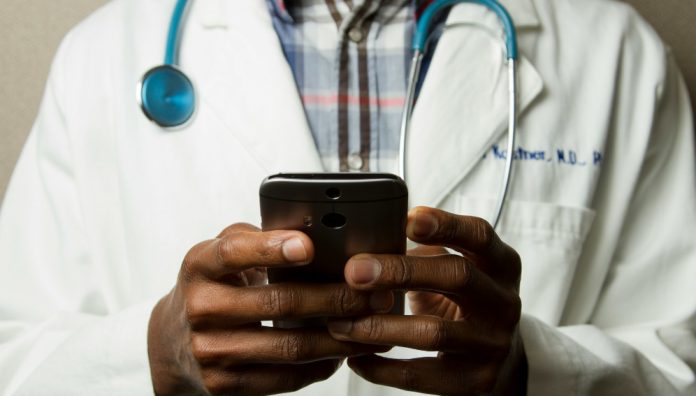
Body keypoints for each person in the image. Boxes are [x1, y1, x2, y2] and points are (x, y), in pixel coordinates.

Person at [0, 0, 695, 394]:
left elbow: (679, 364)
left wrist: (530, 371)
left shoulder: (616, 54)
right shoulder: (102, 55)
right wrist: (153, 356)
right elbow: (15, 361)